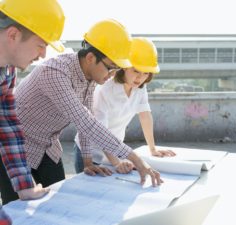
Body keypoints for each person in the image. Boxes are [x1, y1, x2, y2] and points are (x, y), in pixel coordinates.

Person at [14, 19, 162, 196]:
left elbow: (86, 120)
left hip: (48, 148)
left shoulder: (90, 78)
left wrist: (87, 162)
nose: (112, 75)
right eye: (110, 68)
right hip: (15, 149)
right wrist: (136, 160)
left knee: (59, 200)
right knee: (16, 210)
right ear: (91, 58)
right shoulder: (55, 73)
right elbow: (86, 123)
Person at [0, 0, 65, 221]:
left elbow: (8, 127)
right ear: (13, 35)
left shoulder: (7, 72)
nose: (44, 55)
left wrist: (24, 186)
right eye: (41, 44)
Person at [74, 37, 176, 174]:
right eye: (135, 71)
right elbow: (101, 131)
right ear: (124, 67)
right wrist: (117, 163)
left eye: (146, 73)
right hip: (89, 154)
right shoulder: (105, 89)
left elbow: (145, 115)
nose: (140, 78)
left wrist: (153, 149)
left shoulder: (140, 88)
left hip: (115, 151)